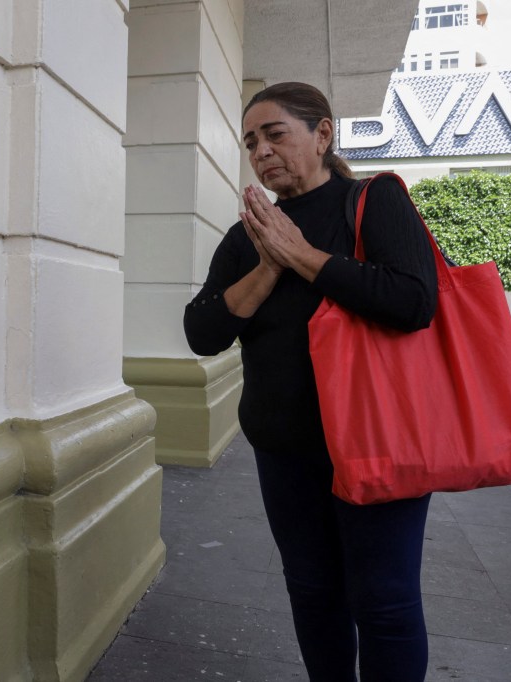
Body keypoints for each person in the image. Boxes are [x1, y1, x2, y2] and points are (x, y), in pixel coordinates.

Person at [184, 82, 438, 681]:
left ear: (323, 135)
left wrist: (302, 258)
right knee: (312, 593)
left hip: (378, 442)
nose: (261, 150)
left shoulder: (374, 202)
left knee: (384, 601)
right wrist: (268, 267)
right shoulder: (247, 235)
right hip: (285, 449)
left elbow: (414, 301)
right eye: (251, 142)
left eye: (276, 134)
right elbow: (202, 332)